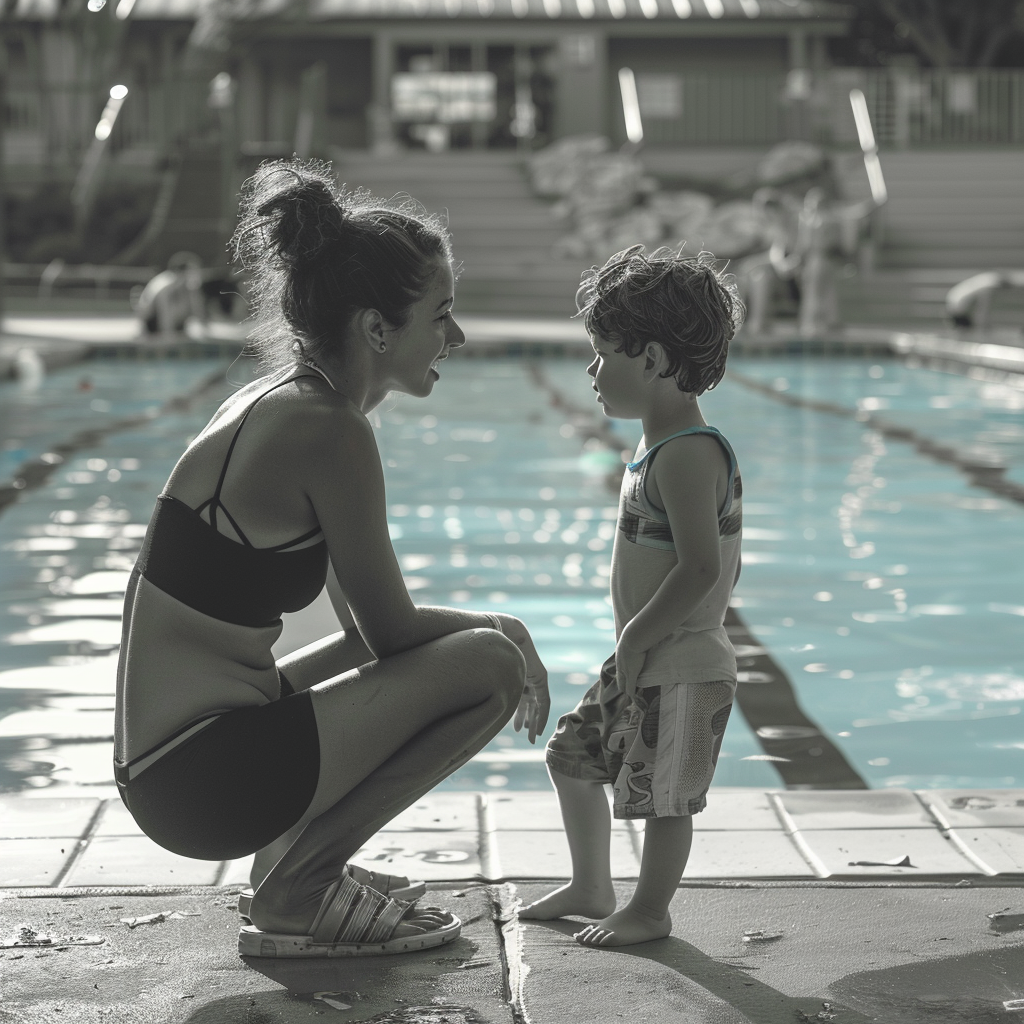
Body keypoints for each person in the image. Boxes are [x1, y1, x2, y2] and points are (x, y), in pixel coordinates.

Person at [114, 158, 550, 958]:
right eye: (441, 315)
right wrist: (507, 634)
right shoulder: (327, 429)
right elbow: (392, 636)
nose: (455, 336)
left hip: (182, 767)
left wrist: (488, 630)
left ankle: (291, 863)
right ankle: (300, 888)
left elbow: (364, 638)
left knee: (465, 651)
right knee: (489, 667)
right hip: (199, 777)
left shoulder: (283, 400)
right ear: (378, 328)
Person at [520, 244, 743, 947]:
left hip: (679, 663)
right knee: (573, 758)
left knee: (662, 797)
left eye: (602, 352)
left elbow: (704, 569)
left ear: (649, 359)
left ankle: (650, 910)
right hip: (644, 654)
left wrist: (641, 636)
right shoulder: (658, 448)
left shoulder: (688, 452)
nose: (591, 370)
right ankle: (592, 884)